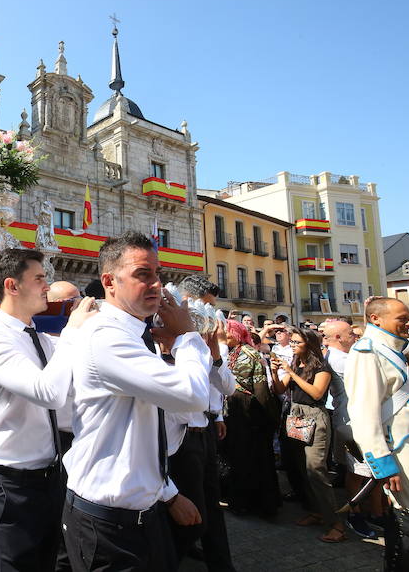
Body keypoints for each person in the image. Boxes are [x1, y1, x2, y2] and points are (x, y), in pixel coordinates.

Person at [62, 231, 212, 571]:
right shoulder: (107, 337)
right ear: (109, 281)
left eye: (157, 274)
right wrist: (187, 336)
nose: (156, 284)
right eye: (143, 274)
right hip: (107, 521)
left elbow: (150, 432)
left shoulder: (136, 334)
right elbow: (192, 396)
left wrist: (168, 493)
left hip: (142, 511)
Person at [0, 249, 96, 572]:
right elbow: (49, 393)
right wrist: (73, 331)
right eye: (40, 278)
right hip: (10, 486)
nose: (46, 286)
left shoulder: (39, 338)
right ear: (12, 286)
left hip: (48, 478)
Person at [346, 297, 409, 571]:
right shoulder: (367, 352)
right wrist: (382, 462)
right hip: (398, 447)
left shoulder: (392, 345)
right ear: (376, 319)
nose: (407, 322)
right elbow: (363, 412)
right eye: (401, 318)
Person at [173, 275, 237, 570]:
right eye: (202, 309)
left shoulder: (207, 342)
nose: (209, 317)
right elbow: (190, 396)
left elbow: (225, 387)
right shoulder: (172, 341)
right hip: (180, 435)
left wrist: (214, 353)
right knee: (187, 508)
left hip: (205, 428)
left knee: (210, 502)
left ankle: (220, 562)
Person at [270, 327, 346, 543]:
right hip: (296, 414)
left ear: (309, 344)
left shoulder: (322, 366)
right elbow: (279, 390)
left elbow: (317, 393)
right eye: (292, 342)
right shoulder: (296, 364)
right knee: (302, 468)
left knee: (316, 470)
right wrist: (276, 372)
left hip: (314, 417)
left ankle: (336, 525)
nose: (292, 346)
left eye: (296, 342)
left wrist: (292, 374)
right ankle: (317, 511)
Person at [321, 320, 382, 539]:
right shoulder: (339, 359)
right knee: (356, 470)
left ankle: (375, 512)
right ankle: (354, 514)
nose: (354, 336)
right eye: (350, 333)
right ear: (338, 337)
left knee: (369, 469)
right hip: (350, 423)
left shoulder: (344, 357)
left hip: (358, 420)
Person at [222, 320, 281, 517]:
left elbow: (261, 389)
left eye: (228, 332)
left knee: (249, 455)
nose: (224, 335)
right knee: (236, 455)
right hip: (231, 409)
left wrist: (267, 416)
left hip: (247, 410)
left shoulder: (251, 354)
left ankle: (254, 502)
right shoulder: (226, 352)